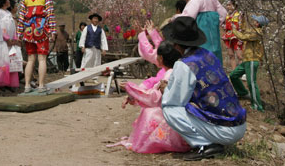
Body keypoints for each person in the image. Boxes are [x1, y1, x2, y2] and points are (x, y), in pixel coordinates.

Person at [161, 17, 246, 161]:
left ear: (176, 45)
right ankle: (209, 141)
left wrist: (166, 89)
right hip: (239, 123)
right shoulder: (207, 54)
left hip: (225, 131)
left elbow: (174, 101)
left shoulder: (185, 64)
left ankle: (205, 145)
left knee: (169, 109)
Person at [112, 41, 190, 153]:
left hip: (171, 115)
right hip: (176, 113)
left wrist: (131, 88)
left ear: (161, 58)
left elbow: (153, 98)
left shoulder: (168, 74)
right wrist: (133, 95)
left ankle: (156, 140)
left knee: (150, 113)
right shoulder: (171, 72)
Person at [17, 0, 57, 94]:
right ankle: (41, 85)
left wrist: (19, 33)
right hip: (41, 29)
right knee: (42, 59)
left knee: (30, 59)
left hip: (28, 31)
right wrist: (52, 31)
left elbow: (21, 17)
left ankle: (27, 86)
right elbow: (50, 15)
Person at [176, 0, 227, 64]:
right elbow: (223, 14)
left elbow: (186, 18)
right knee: (215, 65)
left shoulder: (197, 0)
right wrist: (213, 22)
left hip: (201, 42)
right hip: (214, 42)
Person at [229, 15, 268, 112]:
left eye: (255, 20)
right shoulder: (254, 30)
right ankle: (242, 93)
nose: (253, 21)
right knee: (233, 75)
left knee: (251, 83)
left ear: (258, 23)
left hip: (252, 60)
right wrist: (241, 23)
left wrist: (234, 30)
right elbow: (245, 31)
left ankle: (257, 105)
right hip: (247, 60)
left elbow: (243, 37)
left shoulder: (257, 32)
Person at [0, 0, 22, 89]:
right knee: (2, 61)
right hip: (2, 42)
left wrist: (14, 39)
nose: (9, 1)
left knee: (11, 62)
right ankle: (0, 82)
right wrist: (6, 38)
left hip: (10, 42)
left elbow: (12, 27)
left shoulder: (8, 13)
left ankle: (10, 83)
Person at [222, 0, 243, 71]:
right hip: (228, 37)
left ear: (234, 5)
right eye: (227, 5)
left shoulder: (239, 14)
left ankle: (241, 72)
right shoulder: (226, 15)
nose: (228, 7)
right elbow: (223, 25)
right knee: (231, 55)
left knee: (239, 56)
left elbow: (241, 27)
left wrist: (241, 39)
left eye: (229, 5)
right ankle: (234, 73)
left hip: (237, 37)